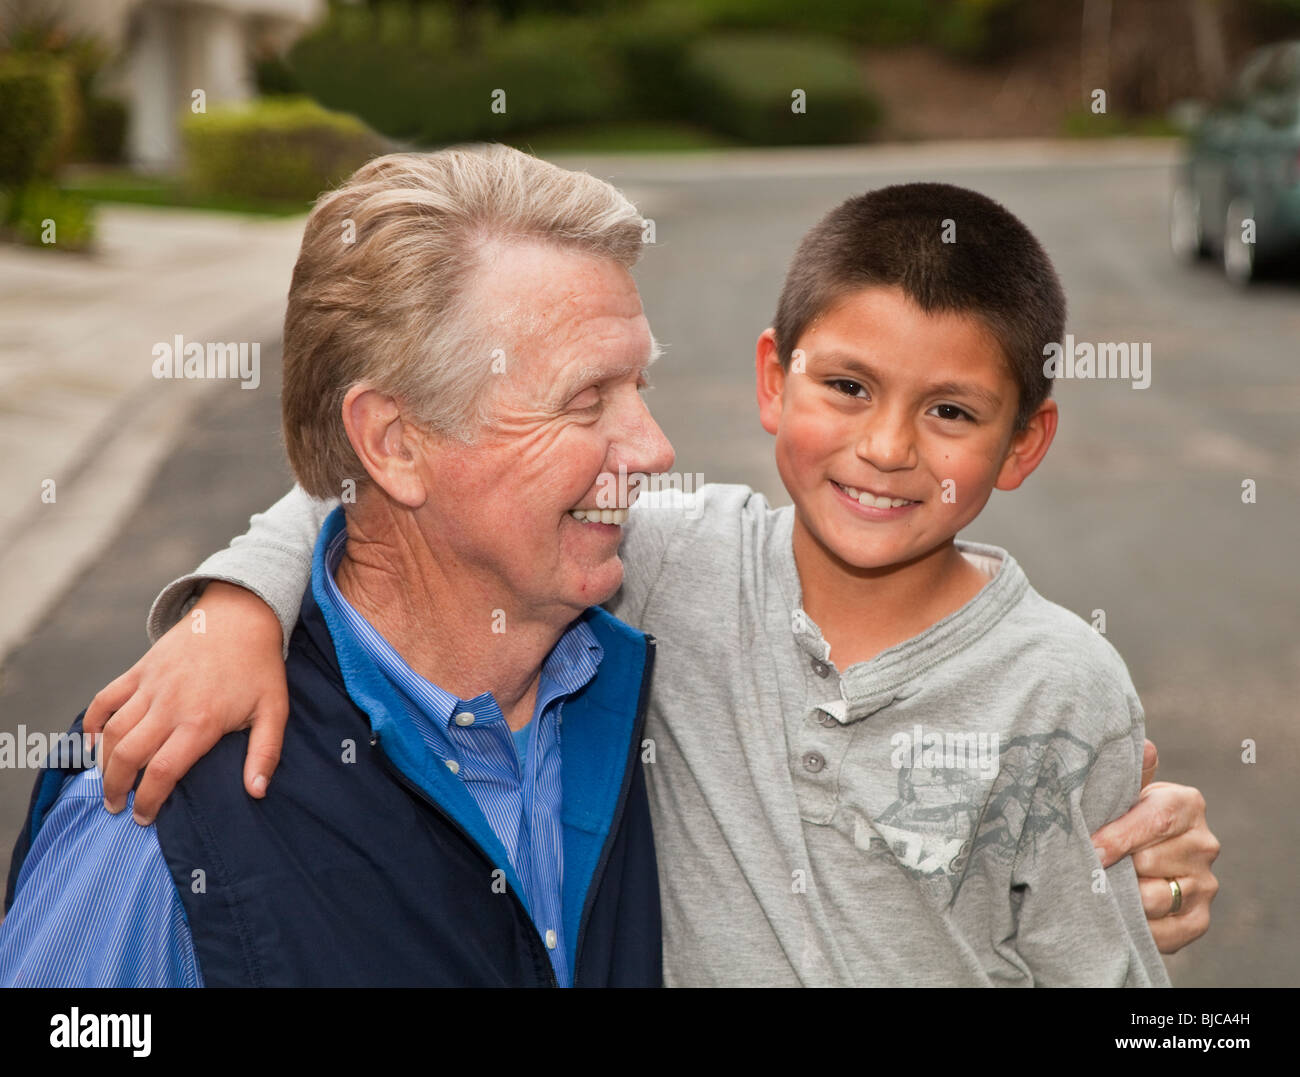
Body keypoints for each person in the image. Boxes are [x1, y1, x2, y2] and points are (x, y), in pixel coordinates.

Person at [80, 177, 1217, 985]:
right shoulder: (672, 564)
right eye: (850, 390)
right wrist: (232, 608)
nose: (886, 450)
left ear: (1024, 444)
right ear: (775, 381)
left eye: (952, 414)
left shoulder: (1065, 683)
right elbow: (378, 480)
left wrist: (1135, 882)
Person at [0, 146, 673, 986]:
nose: (654, 448)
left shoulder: (654, 689)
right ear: (394, 443)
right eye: (586, 401)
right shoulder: (154, 820)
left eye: (642, 385)